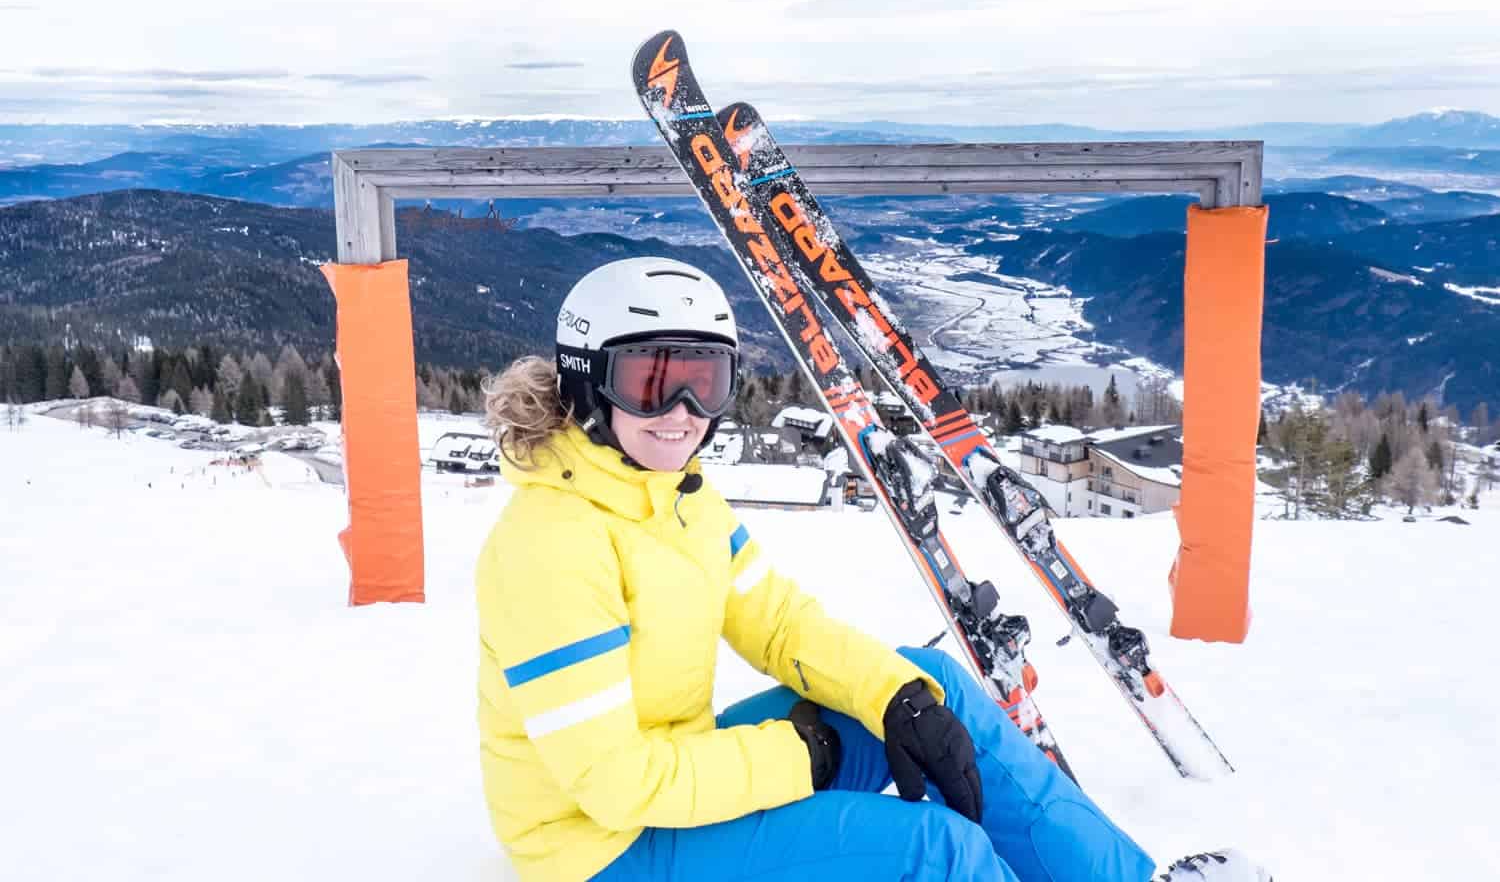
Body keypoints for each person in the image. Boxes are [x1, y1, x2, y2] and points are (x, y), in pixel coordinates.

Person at [476, 256, 1268, 882]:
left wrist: (890, 696)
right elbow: (615, 785)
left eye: (705, 380)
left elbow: (778, 621)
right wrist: (803, 756)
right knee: (933, 852)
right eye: (650, 380)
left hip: (670, 776)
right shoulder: (551, 546)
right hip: (598, 847)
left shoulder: (675, 497)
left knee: (930, 684)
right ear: (586, 379)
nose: (683, 410)